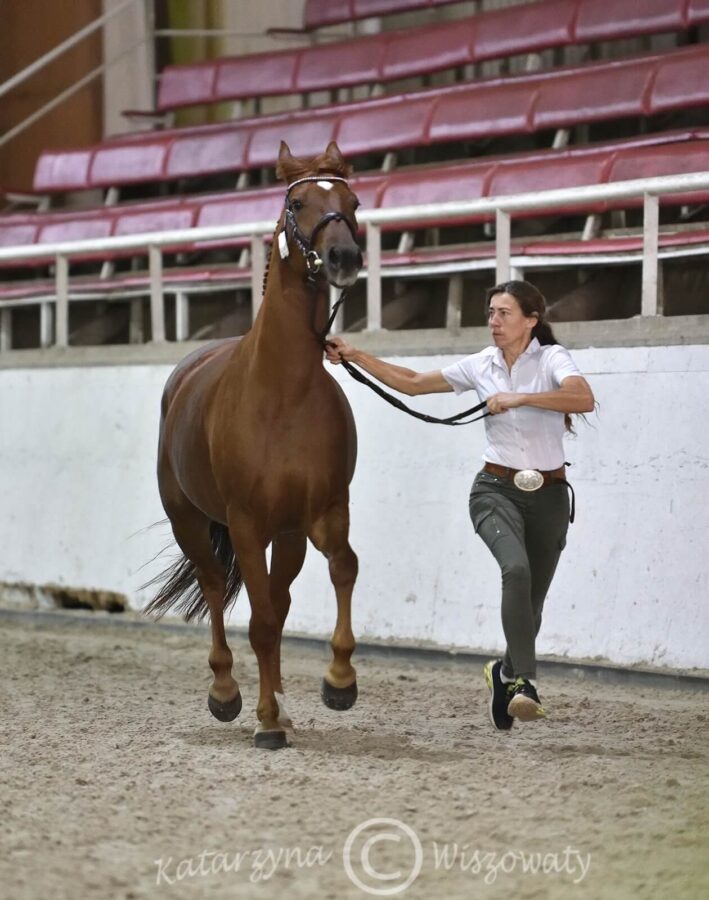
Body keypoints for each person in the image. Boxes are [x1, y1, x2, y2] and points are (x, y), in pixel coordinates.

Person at [325, 280, 595, 731]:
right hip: (495, 490)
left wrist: (520, 397)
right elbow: (412, 384)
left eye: (504, 313)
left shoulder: (551, 359)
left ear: (531, 320)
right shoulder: (481, 365)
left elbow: (582, 397)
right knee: (517, 570)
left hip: (548, 496)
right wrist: (356, 355)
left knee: (533, 604)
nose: (493, 321)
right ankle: (525, 683)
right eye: (490, 312)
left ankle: (503, 673)